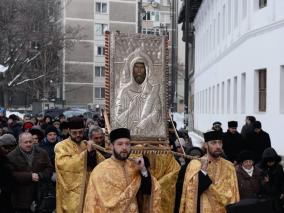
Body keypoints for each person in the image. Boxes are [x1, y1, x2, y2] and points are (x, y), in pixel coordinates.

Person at [83, 128, 161, 212]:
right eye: (120, 144)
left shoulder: (135, 166)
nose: (124, 147)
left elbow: (149, 191)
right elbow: (93, 204)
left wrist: (143, 170)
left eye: (127, 144)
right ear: (112, 146)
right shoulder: (100, 171)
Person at [179, 131, 240, 213]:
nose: (218, 146)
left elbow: (233, 196)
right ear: (205, 145)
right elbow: (191, 193)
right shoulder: (195, 165)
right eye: (213, 143)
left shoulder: (229, 166)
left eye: (220, 143)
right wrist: (203, 170)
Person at [55, 116, 104, 213]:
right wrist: (86, 153)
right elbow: (64, 165)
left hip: (88, 190)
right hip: (71, 193)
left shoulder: (85, 144)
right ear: (69, 131)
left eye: (80, 132)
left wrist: (92, 153)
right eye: (75, 133)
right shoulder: (61, 146)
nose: (78, 135)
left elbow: (100, 163)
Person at [115, 56, 163, 137]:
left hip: (148, 137)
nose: (139, 71)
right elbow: (118, 119)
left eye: (142, 68)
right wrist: (130, 109)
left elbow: (158, 115)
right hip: (127, 137)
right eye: (136, 67)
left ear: (146, 70)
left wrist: (146, 121)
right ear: (131, 69)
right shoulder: (124, 92)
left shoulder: (152, 91)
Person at [7, 132, 52, 213]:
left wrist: (40, 175)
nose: (28, 144)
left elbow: (49, 168)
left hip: (40, 193)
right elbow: (10, 174)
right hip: (21, 197)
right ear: (19, 143)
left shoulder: (42, 152)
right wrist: (29, 176)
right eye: (25, 142)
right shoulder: (11, 156)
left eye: (30, 142)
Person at [0, 134, 17, 213]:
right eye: (5, 147)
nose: (7, 150)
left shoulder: (15, 156)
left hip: (13, 191)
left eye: (11, 147)